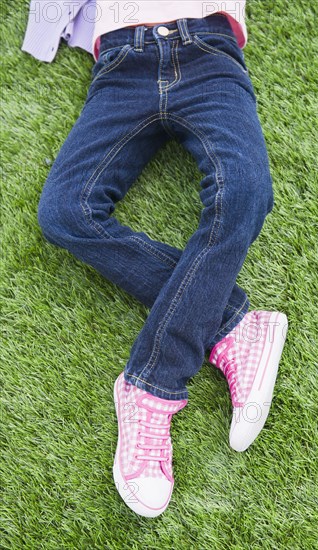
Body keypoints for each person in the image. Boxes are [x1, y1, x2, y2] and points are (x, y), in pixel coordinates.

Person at [22, 2, 288, 517]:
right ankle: (232, 322)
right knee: (64, 211)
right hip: (120, 65)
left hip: (210, 49)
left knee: (245, 192)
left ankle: (151, 389)